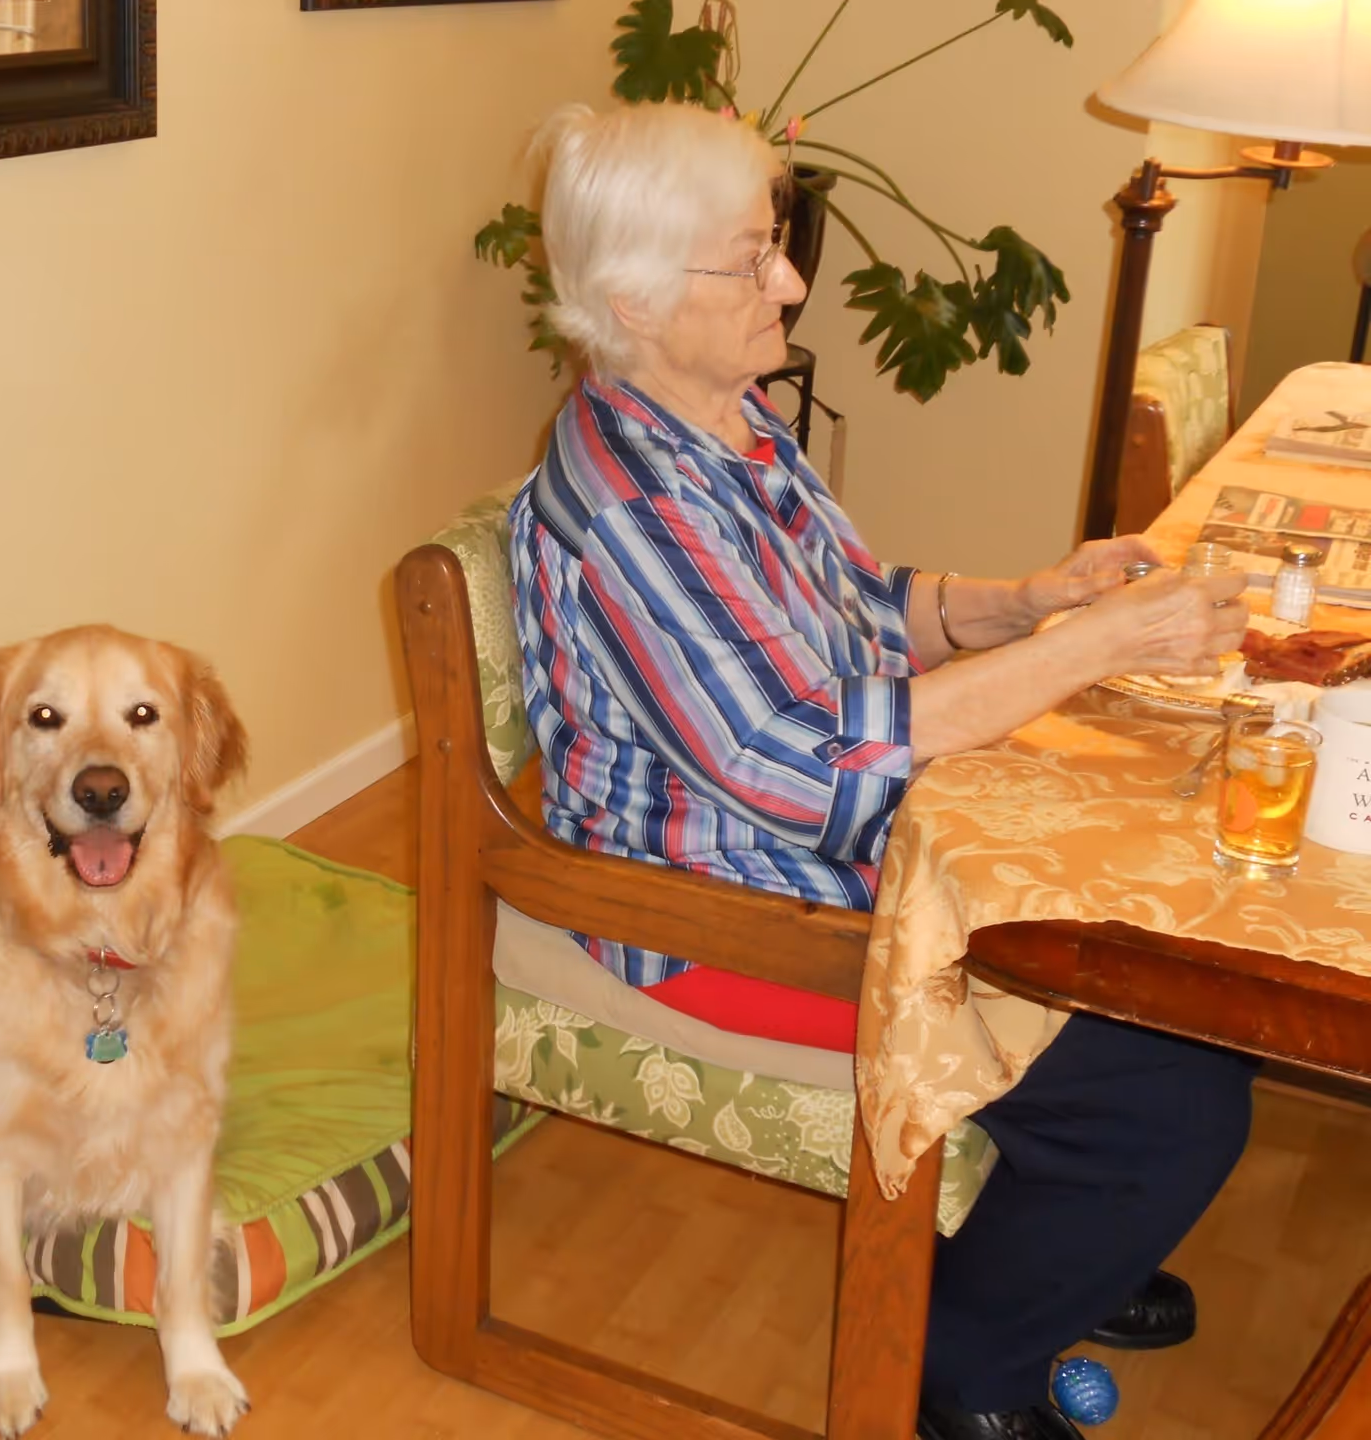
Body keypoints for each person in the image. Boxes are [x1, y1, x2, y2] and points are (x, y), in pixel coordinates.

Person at [509, 101, 1255, 1440]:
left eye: (775, 243)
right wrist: (1097, 648)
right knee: (1174, 1081)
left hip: (830, 852)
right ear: (630, 297)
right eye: (750, 259)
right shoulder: (634, 505)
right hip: (716, 913)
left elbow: (861, 608)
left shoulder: (724, 420)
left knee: (1157, 937)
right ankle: (962, 1374)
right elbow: (808, 768)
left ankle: (1067, 1232)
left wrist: (1026, 604)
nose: (790, 279)